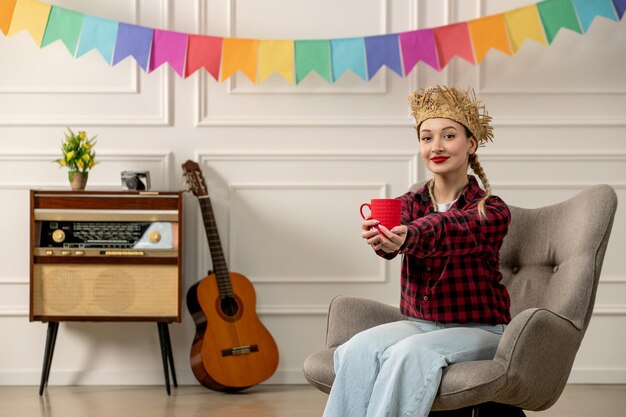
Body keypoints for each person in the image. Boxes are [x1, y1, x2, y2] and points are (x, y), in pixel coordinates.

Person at [322, 86, 511, 417]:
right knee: (357, 349)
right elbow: (396, 235)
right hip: (420, 323)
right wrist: (381, 238)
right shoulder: (409, 202)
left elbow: (450, 230)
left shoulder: (490, 210)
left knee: (408, 355)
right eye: (426, 138)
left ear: (470, 144)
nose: (435, 146)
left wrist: (408, 235)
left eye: (448, 136)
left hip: (480, 330)